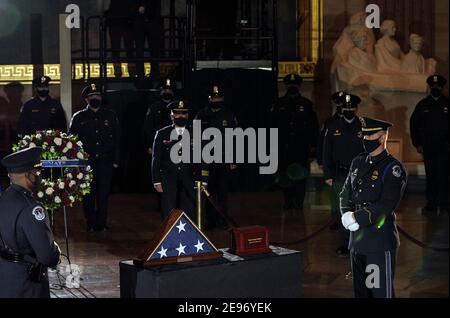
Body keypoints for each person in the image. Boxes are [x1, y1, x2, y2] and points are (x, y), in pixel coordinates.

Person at [340, 118, 407, 298]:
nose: (366, 138)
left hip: (378, 242)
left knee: (378, 293)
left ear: (383, 137)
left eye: (371, 134)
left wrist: (356, 218)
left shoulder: (393, 168)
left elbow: (386, 206)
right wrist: (346, 215)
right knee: (361, 293)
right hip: (356, 242)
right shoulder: (358, 161)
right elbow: (344, 194)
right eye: (365, 134)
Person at [0, 147, 60, 298]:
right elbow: (48, 257)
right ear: (28, 175)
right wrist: (56, 250)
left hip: (5, 278)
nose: (39, 176)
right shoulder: (31, 208)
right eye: (37, 172)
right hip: (27, 285)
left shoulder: (4, 199)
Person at [69, 84, 120, 232]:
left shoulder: (110, 115)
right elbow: (72, 141)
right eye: (92, 96)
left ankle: (102, 223)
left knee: (103, 194)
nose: (95, 98)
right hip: (87, 162)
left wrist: (116, 160)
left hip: (106, 160)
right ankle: (90, 223)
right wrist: (76, 161)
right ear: (86, 99)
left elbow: (117, 138)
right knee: (88, 195)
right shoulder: (79, 117)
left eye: (97, 95)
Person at [323, 94, 365, 257]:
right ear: (341, 109)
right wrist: (328, 174)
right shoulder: (333, 127)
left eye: (351, 108)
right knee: (343, 210)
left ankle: (360, 242)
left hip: (359, 174)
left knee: (360, 208)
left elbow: (369, 151)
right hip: (340, 174)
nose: (349, 110)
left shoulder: (363, 126)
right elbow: (327, 152)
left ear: (356, 108)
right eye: (346, 108)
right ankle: (346, 243)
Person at [152, 100, 208, 220]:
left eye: (183, 113)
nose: (180, 116)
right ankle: (168, 238)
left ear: (188, 115)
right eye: (177, 113)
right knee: (168, 212)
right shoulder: (162, 133)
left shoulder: (196, 133)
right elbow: (156, 159)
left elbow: (204, 158)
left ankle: (187, 238)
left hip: (190, 177)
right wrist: (156, 180)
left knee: (189, 212)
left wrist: (204, 180)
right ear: (171, 115)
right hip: (168, 177)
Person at [272, 74, 319, 212]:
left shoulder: (306, 104)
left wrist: (314, 145)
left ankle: (299, 202)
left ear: (299, 86)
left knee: (300, 174)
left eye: (295, 85)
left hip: (300, 147)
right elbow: (272, 125)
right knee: (285, 175)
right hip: (284, 146)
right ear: (286, 86)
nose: (292, 87)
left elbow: (313, 126)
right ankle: (288, 201)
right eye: (290, 85)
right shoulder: (279, 104)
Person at [194, 85, 238, 229]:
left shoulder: (228, 114)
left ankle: (222, 220)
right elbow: (195, 136)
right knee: (208, 191)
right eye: (213, 97)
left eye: (218, 97)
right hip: (206, 159)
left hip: (224, 158)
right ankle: (211, 221)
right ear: (209, 98)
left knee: (222, 192)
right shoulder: (201, 114)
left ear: (223, 98)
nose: (216, 99)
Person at [410, 75, 449, 215]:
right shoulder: (422, 105)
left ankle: (445, 204)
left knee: (445, 176)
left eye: (438, 86)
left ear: (442, 88)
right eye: (433, 86)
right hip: (429, 147)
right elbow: (414, 125)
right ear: (429, 87)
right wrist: (417, 143)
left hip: (445, 148)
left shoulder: (447, 103)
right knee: (431, 175)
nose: (435, 88)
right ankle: (431, 204)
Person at [143, 78, 175, 155]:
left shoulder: (177, 106)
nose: (167, 92)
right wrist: (149, 145)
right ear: (161, 92)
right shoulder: (154, 107)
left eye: (169, 90)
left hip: (174, 142)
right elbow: (148, 127)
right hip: (158, 142)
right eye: (165, 90)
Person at [132, 0, 163, 80]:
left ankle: (154, 73)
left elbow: (156, 5)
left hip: (151, 21)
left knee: (153, 49)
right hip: (140, 21)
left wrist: (145, 8)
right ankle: (140, 74)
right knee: (140, 50)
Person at [104, 0, 135, 78]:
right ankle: (129, 73)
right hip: (123, 21)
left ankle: (123, 73)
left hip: (120, 21)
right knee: (126, 49)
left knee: (121, 49)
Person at [316, 91, 346, 167]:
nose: (341, 105)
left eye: (343, 103)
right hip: (334, 163)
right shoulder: (329, 123)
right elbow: (322, 142)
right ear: (336, 104)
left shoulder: (356, 122)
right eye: (339, 103)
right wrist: (321, 161)